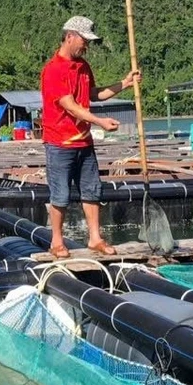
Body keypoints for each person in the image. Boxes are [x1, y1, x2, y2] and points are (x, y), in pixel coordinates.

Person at [40, 16, 140, 259]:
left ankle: (95, 238)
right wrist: (100, 121)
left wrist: (124, 83)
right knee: (60, 194)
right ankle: (56, 242)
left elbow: (94, 94)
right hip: (59, 143)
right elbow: (70, 106)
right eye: (84, 40)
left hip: (84, 141)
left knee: (92, 190)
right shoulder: (53, 70)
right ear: (70, 36)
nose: (86, 46)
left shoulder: (83, 67)